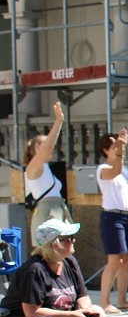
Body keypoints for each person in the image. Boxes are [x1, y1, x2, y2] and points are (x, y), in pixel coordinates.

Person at [96, 129, 128, 313]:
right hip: (112, 216)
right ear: (106, 150)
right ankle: (104, 301)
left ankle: (122, 299)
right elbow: (115, 170)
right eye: (113, 146)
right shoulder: (103, 169)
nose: (116, 149)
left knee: (127, 259)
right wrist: (121, 150)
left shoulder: (125, 170)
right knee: (114, 259)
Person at [23, 101, 73, 239]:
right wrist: (58, 121)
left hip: (57, 208)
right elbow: (48, 148)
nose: (52, 149)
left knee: (62, 250)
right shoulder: (33, 167)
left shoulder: (45, 167)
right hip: (47, 212)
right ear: (38, 147)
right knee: (51, 252)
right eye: (48, 144)